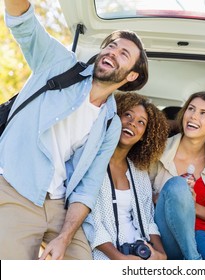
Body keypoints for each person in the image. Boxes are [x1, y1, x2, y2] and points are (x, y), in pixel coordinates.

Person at [0, 0, 148, 260]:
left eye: (124, 54)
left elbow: (88, 186)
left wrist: (64, 236)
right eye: (111, 46)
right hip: (14, 188)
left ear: (131, 76)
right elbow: (24, 24)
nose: (113, 52)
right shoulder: (59, 63)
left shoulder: (111, 123)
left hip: (58, 203)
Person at [150, 92, 205, 260]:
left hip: (204, 231)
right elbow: (137, 197)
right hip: (166, 232)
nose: (193, 116)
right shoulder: (158, 151)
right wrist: (169, 197)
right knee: (177, 185)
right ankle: (193, 260)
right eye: (191, 109)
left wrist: (191, 205)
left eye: (203, 113)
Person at [82, 92, 168, 260]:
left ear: (144, 135)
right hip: (104, 254)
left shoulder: (139, 171)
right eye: (127, 114)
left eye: (141, 122)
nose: (132, 123)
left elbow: (148, 219)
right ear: (115, 115)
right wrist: (119, 259)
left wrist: (161, 255)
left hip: (140, 250)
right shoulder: (91, 161)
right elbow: (91, 222)